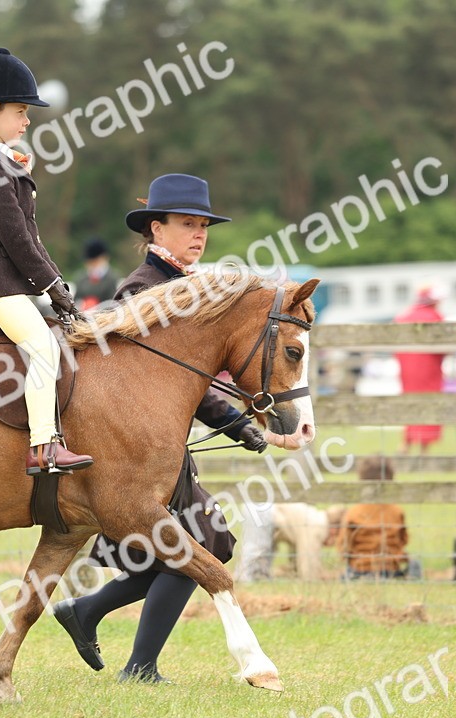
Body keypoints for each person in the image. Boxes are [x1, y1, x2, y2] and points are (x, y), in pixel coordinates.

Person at [50, 174, 268, 683]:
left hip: (165, 448)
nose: (199, 235)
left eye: (203, 226)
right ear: (156, 229)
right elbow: (176, 382)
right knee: (199, 547)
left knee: (185, 549)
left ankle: (90, 615)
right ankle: (134, 660)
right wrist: (237, 423)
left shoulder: (191, 288)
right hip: (138, 450)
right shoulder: (141, 289)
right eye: (187, 224)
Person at [0, 48, 92, 475]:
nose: (27, 121)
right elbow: (17, 240)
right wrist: (50, 287)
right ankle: (43, 446)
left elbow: (31, 237)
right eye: (20, 112)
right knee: (44, 347)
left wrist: (58, 285)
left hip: (9, 282)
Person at [338, 456, 417, 580]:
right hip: (390, 570)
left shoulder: (353, 512)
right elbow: (403, 540)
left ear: (362, 481)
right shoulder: (396, 511)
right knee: (415, 563)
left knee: (344, 576)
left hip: (360, 569)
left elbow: (344, 545)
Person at [394, 284, 446, 455]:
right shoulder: (434, 317)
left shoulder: (404, 316)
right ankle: (424, 448)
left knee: (409, 402)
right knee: (429, 403)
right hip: (429, 368)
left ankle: (406, 443)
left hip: (407, 368)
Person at [70, 238, 121, 311]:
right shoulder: (81, 278)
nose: (93, 265)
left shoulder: (113, 278)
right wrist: (82, 305)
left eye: (96, 261)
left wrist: (97, 308)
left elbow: (115, 302)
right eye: (90, 262)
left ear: (105, 258)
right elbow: (76, 300)